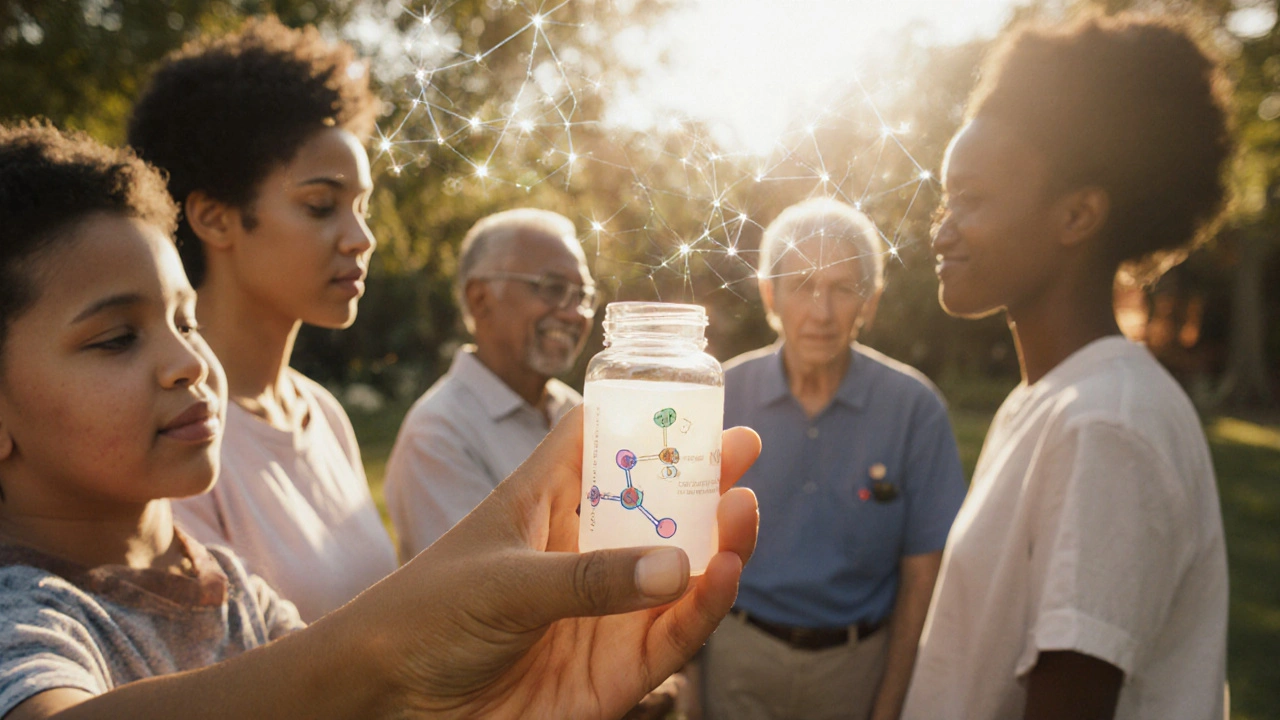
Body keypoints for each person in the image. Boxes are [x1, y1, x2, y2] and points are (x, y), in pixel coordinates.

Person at [0, 121, 763, 720]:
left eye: (186, 322)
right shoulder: (25, 620)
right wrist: (392, 651)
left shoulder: (224, 584)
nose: (188, 363)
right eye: (115, 338)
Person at [902, 13, 1231, 720]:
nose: (943, 227)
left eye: (974, 199)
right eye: (945, 197)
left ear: (1077, 216)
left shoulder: (1106, 425)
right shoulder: (1048, 401)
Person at [126, 18, 397, 621]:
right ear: (215, 219)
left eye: (362, 207)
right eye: (321, 206)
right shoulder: (179, 431)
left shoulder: (322, 414)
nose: (361, 239)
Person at [703, 198, 967, 720]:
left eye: (843, 288)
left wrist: (889, 704)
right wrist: (686, 674)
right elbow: (685, 543)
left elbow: (924, 575)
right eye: (802, 285)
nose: (821, 312)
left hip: (858, 668)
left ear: (869, 301)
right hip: (736, 655)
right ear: (769, 294)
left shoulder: (914, 408)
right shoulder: (721, 394)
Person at [385, 208, 594, 560]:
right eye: (554, 288)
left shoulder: (574, 409)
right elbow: (483, 591)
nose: (573, 313)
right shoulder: (439, 434)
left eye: (582, 295)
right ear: (480, 299)